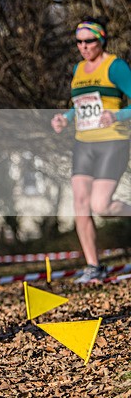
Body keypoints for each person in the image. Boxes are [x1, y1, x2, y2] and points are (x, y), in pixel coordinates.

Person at [51, 16, 131, 283]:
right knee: (81, 205)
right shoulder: (78, 69)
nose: (83, 47)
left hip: (112, 142)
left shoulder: (115, 66)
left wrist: (117, 116)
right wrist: (65, 119)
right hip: (83, 144)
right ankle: (94, 266)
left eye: (89, 41)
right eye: (79, 42)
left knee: (102, 205)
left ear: (101, 40)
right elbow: (80, 106)